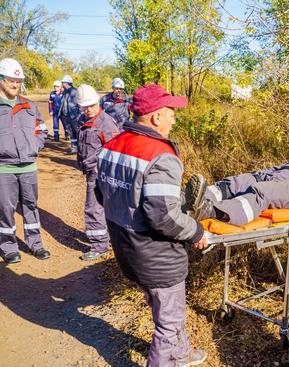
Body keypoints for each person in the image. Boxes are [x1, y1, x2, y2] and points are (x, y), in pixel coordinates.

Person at [95, 84, 208, 367]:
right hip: (155, 254)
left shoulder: (111, 145)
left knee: (168, 309)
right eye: (171, 113)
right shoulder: (160, 155)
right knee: (168, 323)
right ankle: (166, 359)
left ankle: (181, 355)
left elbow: (101, 194)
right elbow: (163, 217)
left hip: (125, 246)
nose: (174, 119)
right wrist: (196, 231)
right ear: (156, 117)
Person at [0, 58, 50, 264]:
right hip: (4, 169)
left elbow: (42, 130)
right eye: (11, 79)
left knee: (31, 206)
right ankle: (8, 247)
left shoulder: (29, 105)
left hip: (29, 166)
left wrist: (34, 146)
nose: (14, 84)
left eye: (18, 81)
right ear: (1, 79)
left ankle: (35, 244)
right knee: (5, 209)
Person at [76, 84, 120, 261]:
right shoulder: (87, 120)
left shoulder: (105, 123)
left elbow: (115, 151)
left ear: (98, 102)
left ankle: (99, 246)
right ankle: (105, 241)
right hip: (93, 171)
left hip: (100, 173)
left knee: (93, 208)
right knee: (99, 207)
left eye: (91, 105)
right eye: (85, 107)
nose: (88, 109)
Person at [59, 74, 81, 153]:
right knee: (71, 132)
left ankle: (81, 148)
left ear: (68, 83)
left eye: (63, 82)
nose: (62, 84)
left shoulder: (75, 91)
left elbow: (80, 104)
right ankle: (74, 148)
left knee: (78, 132)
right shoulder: (64, 91)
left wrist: (80, 114)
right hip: (66, 116)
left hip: (75, 116)